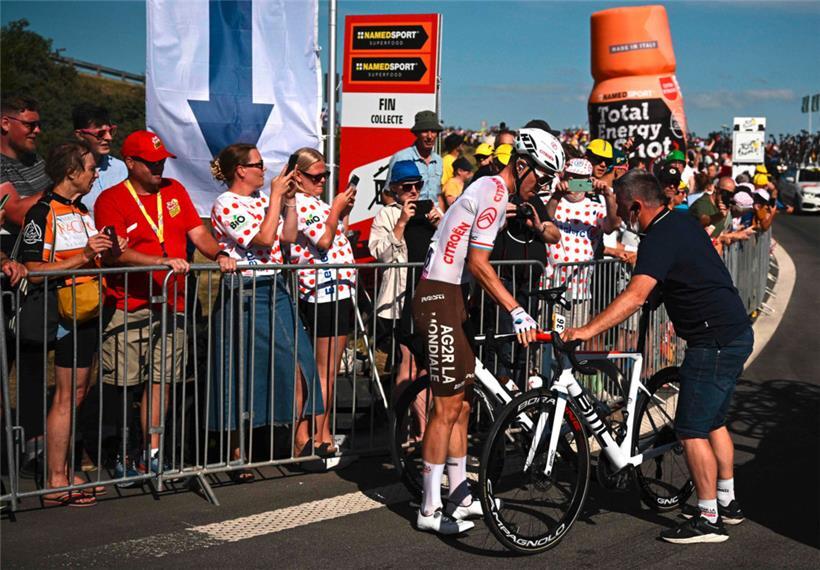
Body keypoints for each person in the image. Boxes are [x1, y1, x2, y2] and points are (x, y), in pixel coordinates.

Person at [563, 169, 753, 544]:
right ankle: (727, 503)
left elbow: (635, 296)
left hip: (713, 340)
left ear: (636, 205)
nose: (620, 215)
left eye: (622, 207)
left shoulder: (659, 236)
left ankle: (708, 518)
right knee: (713, 422)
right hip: (732, 332)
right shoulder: (681, 222)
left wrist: (585, 331)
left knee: (691, 429)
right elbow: (689, 271)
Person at [413, 128, 564, 535]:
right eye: (542, 176)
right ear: (522, 165)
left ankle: (460, 494)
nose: (543, 186)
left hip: (451, 297)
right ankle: (429, 507)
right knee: (445, 408)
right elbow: (479, 263)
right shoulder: (495, 191)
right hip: (438, 296)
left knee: (462, 406)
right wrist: (516, 310)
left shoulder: (493, 191)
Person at [94, 130, 236, 480]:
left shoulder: (174, 190)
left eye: (162, 161)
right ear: (130, 163)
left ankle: (152, 452)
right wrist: (159, 261)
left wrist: (218, 253)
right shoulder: (111, 199)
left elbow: (198, 233)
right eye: (152, 163)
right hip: (129, 304)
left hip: (172, 304)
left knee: (163, 380)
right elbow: (115, 253)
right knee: (125, 383)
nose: (159, 167)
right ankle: (124, 451)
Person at [21, 141, 127, 506]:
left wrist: (109, 249)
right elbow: (33, 270)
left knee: (78, 393)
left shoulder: (82, 210)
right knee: (66, 395)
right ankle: (55, 480)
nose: (96, 174)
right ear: (71, 172)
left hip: (87, 311)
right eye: (91, 168)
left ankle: (65, 471)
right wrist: (83, 255)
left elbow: (90, 257)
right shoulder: (42, 211)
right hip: (62, 313)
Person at [208, 143, 320, 472]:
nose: (264, 170)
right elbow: (262, 239)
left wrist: (289, 202)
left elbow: (287, 236)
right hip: (243, 290)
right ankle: (236, 451)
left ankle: (300, 442)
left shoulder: (261, 200)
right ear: (240, 170)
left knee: (299, 360)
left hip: (275, 286)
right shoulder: (225, 203)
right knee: (242, 370)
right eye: (257, 165)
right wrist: (275, 198)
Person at [289, 147, 356, 456]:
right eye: (316, 176)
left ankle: (321, 432)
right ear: (298, 176)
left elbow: (336, 236)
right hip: (323, 292)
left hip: (337, 290)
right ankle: (319, 435)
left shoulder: (315, 203)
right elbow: (324, 240)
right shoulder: (302, 204)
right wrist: (336, 209)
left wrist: (341, 212)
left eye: (325, 175)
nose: (322, 181)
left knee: (327, 369)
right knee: (324, 370)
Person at [368, 160, 441, 438]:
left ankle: (423, 431)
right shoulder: (386, 216)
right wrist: (401, 223)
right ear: (395, 189)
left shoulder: (432, 210)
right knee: (407, 366)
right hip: (401, 300)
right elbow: (381, 255)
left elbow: (450, 249)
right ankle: (399, 430)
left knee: (428, 368)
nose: (413, 191)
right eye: (407, 186)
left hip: (430, 296)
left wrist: (440, 225)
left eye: (417, 185)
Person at [544, 157, 621, 326]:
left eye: (580, 180)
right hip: (549, 287)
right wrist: (556, 196)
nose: (573, 184)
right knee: (546, 337)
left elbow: (612, 225)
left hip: (580, 291)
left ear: (589, 181)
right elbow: (545, 220)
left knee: (574, 339)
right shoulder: (549, 200)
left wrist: (608, 195)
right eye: (570, 178)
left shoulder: (595, 208)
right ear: (563, 176)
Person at [1, 96, 50, 242]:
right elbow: (17, 214)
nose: (37, 130)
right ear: (5, 124)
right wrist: (64, 187)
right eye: (30, 125)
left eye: (39, 124)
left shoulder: (34, 158)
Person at [72, 103, 127, 212]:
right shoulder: (69, 170)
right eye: (100, 133)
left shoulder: (121, 168)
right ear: (79, 135)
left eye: (111, 131)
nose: (109, 138)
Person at [386, 110, 443, 202]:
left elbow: (438, 195)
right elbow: (387, 194)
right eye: (425, 131)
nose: (429, 136)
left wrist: (441, 211)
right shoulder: (401, 157)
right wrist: (402, 210)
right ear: (416, 134)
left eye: (433, 131)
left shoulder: (438, 160)